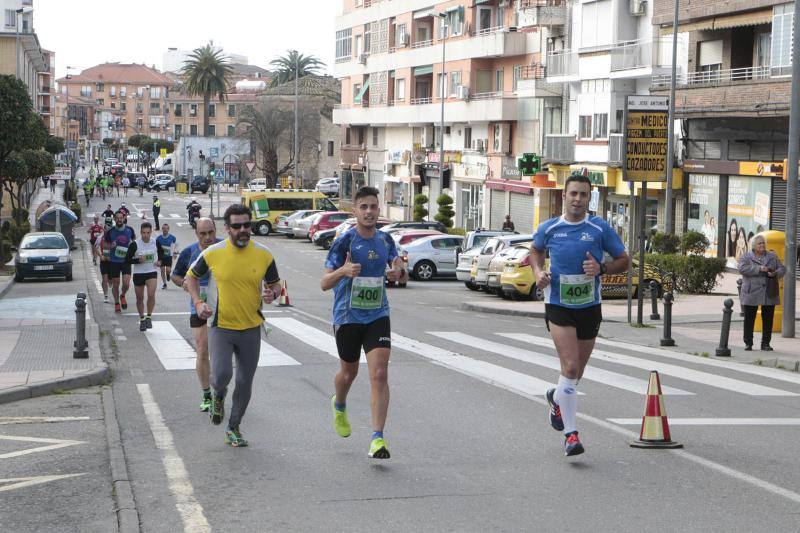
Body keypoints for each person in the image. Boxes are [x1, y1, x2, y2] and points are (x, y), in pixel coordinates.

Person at [532, 172, 629, 457]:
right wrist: (538, 272)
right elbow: (535, 251)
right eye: (573, 193)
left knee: (575, 375)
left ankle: (556, 398)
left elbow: (624, 260)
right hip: (559, 304)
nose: (577, 199)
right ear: (564, 196)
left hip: (589, 306)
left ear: (589, 198)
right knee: (571, 367)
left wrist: (602, 269)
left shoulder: (599, 229)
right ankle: (571, 435)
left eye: (583, 195)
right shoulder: (549, 228)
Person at [185, 204, 282, 448]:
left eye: (246, 225)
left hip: (251, 327)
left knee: (244, 381)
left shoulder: (264, 254)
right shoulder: (213, 253)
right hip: (222, 326)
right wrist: (197, 302)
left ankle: (233, 427)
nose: (242, 230)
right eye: (236, 226)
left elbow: (275, 285)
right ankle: (218, 395)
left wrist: (273, 293)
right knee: (221, 376)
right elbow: (190, 278)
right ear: (227, 228)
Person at [321, 186, 404, 460]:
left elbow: (397, 265)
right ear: (355, 211)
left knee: (380, 373)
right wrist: (343, 271)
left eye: (373, 207)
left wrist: (398, 270)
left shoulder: (385, 240)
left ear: (379, 210)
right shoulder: (344, 242)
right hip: (347, 316)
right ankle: (340, 403)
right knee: (349, 374)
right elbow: (324, 283)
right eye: (364, 207)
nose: (369, 212)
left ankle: (377, 439)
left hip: (377, 314)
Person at [172, 218, 221, 412]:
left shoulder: (225, 248)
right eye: (203, 234)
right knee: (202, 348)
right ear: (196, 234)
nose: (208, 237)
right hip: (198, 304)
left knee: (220, 352)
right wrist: (183, 283)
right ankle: (207, 393)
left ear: (215, 230)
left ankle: (220, 390)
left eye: (211, 232)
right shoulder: (189, 252)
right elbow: (175, 276)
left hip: (222, 305)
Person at [738, 234, 785, 351]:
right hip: (751, 292)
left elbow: (782, 269)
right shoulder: (747, 257)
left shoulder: (772, 256)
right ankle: (748, 343)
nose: (762, 245)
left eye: (763, 243)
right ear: (754, 246)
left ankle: (765, 343)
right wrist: (759, 269)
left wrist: (775, 273)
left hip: (769, 291)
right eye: (759, 243)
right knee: (749, 318)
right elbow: (742, 269)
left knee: (768, 319)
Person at [126, 222, 160, 331]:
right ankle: (142, 319)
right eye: (144, 233)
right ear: (140, 232)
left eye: (148, 233)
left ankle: (149, 317)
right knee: (139, 298)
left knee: (151, 294)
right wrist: (137, 260)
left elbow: (162, 253)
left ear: (151, 232)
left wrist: (160, 261)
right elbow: (127, 260)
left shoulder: (155, 242)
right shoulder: (135, 244)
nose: (146, 235)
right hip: (139, 274)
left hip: (151, 272)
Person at [102, 210, 136, 313]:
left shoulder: (129, 230)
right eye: (117, 218)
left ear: (124, 218)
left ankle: (123, 295)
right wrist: (110, 246)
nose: (119, 220)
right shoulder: (110, 232)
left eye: (121, 218)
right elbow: (105, 246)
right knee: (116, 283)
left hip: (126, 260)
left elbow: (134, 241)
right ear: (114, 219)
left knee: (126, 283)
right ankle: (117, 302)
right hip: (114, 261)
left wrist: (132, 247)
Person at [156, 223, 177, 289]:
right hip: (161, 257)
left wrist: (175, 252)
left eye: (166, 228)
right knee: (162, 270)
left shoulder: (172, 237)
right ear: (162, 229)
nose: (165, 230)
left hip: (168, 257)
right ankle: (164, 284)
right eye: (163, 228)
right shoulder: (158, 238)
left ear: (168, 229)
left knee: (168, 270)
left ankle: (168, 274)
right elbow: (155, 247)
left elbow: (176, 244)